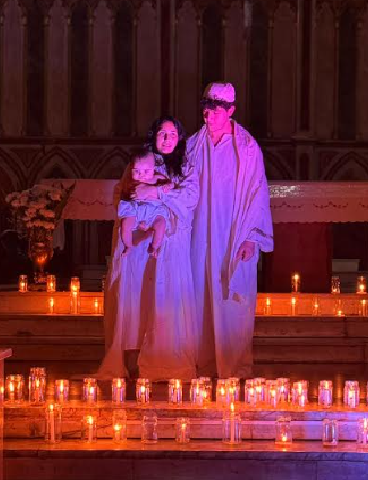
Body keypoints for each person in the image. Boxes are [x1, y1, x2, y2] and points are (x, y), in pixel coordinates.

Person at [100, 115, 199, 380]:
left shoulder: (186, 166)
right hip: (140, 243)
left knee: (165, 295)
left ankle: (165, 358)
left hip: (170, 238)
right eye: (162, 133)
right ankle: (133, 359)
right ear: (153, 136)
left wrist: (156, 193)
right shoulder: (140, 161)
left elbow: (190, 198)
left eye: (173, 134)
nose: (167, 139)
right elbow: (123, 192)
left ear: (180, 138)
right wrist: (136, 197)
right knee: (139, 296)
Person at [188, 82, 273, 378]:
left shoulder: (247, 147)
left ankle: (233, 366)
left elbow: (257, 192)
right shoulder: (192, 145)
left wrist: (252, 237)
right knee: (199, 296)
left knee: (230, 299)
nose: (208, 114)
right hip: (198, 237)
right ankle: (203, 363)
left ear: (231, 111)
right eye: (206, 108)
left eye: (216, 109)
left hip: (233, 234)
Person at [118, 149, 172, 258]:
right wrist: (130, 193)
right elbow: (125, 192)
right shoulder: (132, 181)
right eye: (137, 171)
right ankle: (127, 245)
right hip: (136, 209)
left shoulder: (157, 178)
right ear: (131, 169)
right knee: (125, 223)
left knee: (161, 224)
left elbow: (169, 183)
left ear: (154, 169)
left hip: (154, 210)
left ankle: (155, 246)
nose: (141, 175)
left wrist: (168, 186)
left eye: (146, 171)